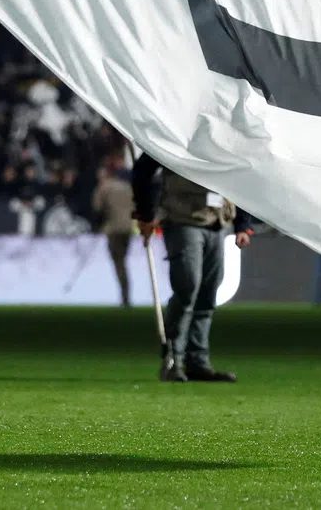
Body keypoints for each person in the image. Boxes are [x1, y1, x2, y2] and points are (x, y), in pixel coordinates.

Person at [131, 153, 252, 383]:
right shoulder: (176, 131)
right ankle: (173, 359)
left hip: (218, 221)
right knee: (187, 287)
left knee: (208, 293)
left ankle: (197, 361)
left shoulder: (229, 138)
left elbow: (241, 179)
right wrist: (145, 213)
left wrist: (242, 224)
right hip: (182, 219)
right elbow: (143, 170)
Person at [92, 162, 134, 307]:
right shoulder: (127, 187)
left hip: (113, 229)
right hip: (128, 228)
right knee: (123, 261)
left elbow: (97, 208)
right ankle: (126, 295)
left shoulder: (104, 187)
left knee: (119, 262)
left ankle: (125, 297)